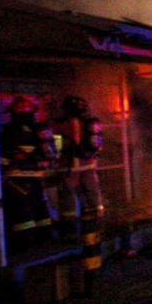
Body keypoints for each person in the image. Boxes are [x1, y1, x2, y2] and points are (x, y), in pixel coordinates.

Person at [0, 95, 57, 253]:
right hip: (36, 175)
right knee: (38, 205)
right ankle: (45, 236)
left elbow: (3, 154)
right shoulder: (40, 129)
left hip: (17, 176)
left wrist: (1, 170)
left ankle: (24, 241)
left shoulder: (11, 130)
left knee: (20, 209)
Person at [53, 95, 104, 238]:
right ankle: (97, 224)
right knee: (92, 193)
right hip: (89, 164)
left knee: (68, 196)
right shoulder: (90, 121)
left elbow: (56, 146)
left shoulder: (64, 123)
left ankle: (71, 229)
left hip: (70, 165)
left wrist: (54, 161)